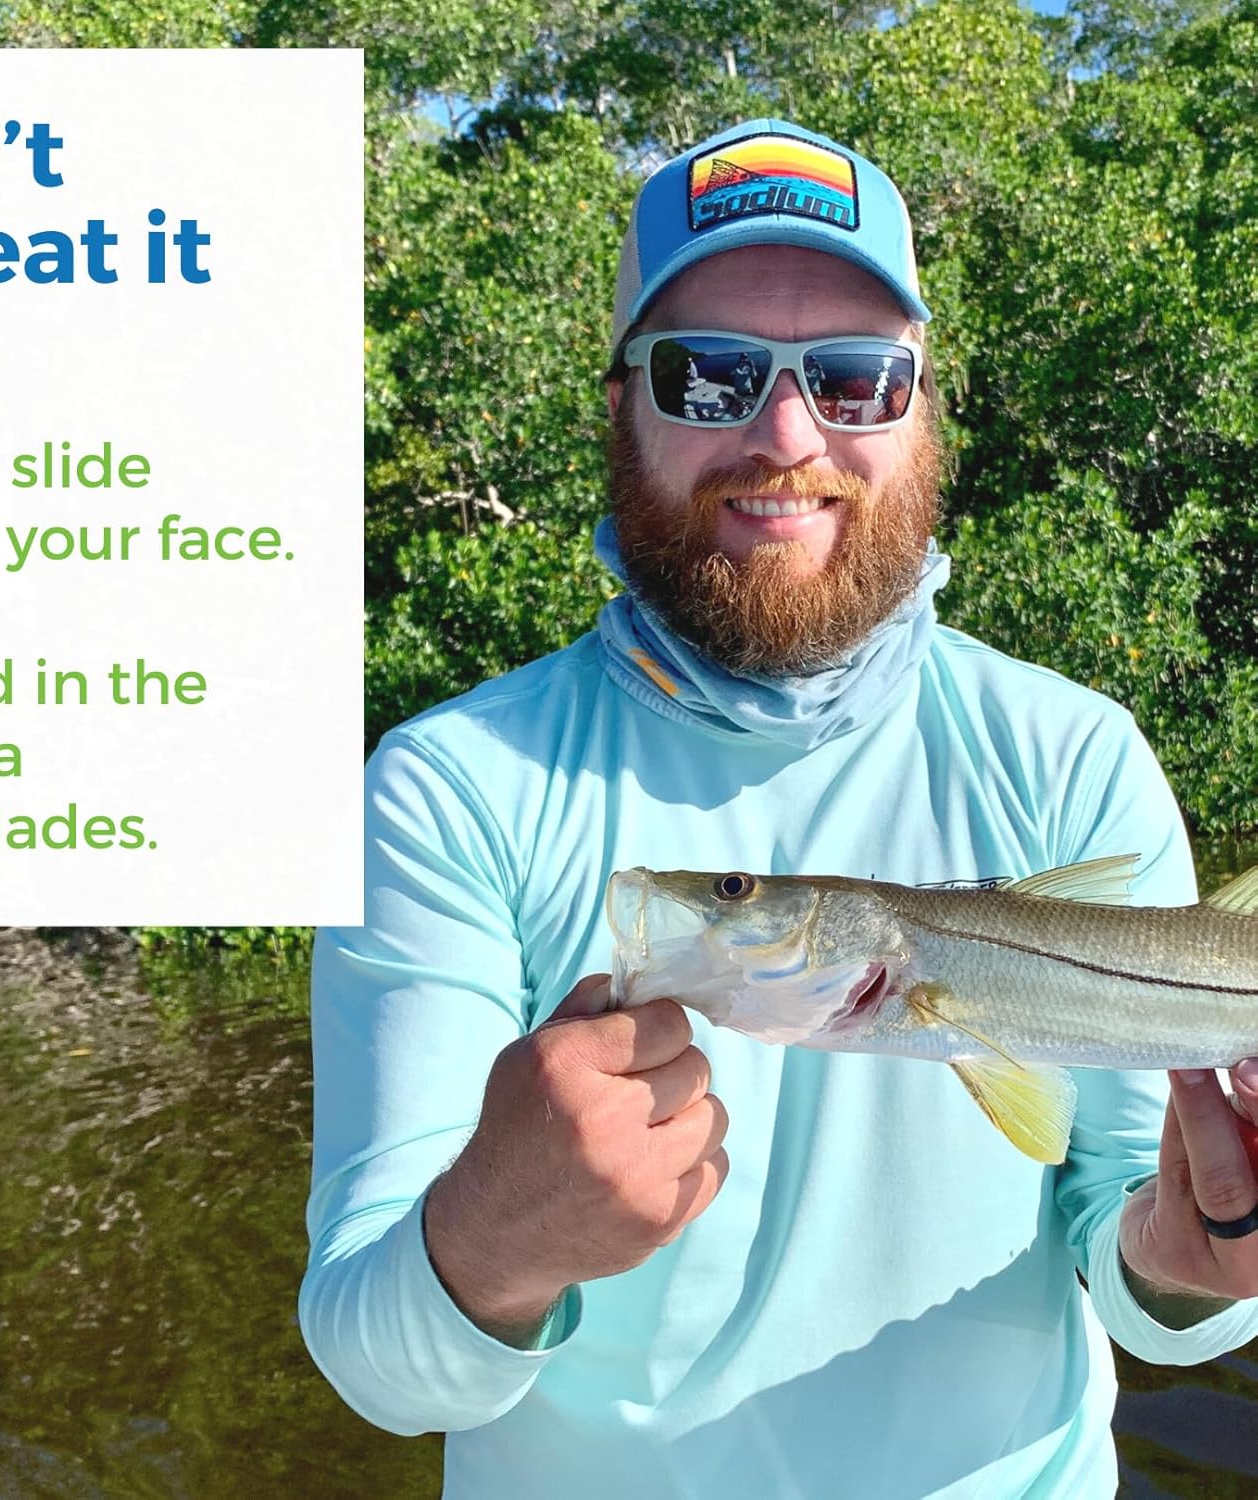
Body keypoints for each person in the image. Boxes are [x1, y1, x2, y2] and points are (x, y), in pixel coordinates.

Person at [299, 118, 1258, 1499]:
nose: (787, 435)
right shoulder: (449, 788)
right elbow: (378, 1373)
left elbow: (1140, 1260)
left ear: (925, 414)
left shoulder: (1072, 755)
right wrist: (489, 1245)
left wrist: (1206, 1247)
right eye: (710, 373)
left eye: (859, 377)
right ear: (621, 408)